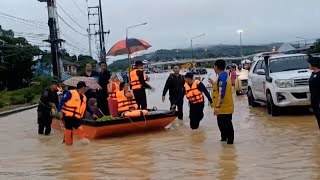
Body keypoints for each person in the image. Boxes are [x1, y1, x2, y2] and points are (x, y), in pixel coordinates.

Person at [58, 81, 95, 146]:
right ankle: (68, 145)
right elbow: (62, 101)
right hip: (68, 115)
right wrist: (59, 111)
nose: (85, 89)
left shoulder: (84, 97)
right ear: (82, 88)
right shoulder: (70, 93)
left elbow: (86, 106)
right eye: (85, 88)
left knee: (80, 128)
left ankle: (82, 143)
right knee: (69, 131)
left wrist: (92, 113)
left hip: (76, 117)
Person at [211, 59, 235, 144]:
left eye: (214, 66)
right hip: (225, 106)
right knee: (222, 125)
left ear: (216, 67)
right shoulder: (223, 76)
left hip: (224, 107)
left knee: (226, 125)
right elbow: (219, 89)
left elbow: (221, 94)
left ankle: (230, 144)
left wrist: (217, 107)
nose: (213, 68)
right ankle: (225, 142)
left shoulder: (222, 78)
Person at [307, 55, 320, 130]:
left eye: (309, 63)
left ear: (314, 64)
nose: (308, 65)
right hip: (314, 101)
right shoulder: (313, 74)